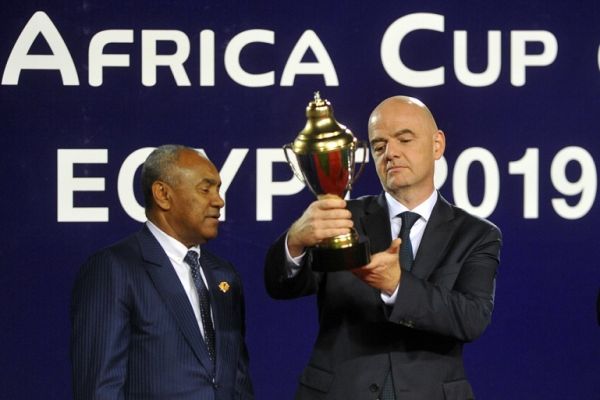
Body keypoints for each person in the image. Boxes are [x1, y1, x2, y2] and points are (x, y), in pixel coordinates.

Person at [264, 96, 502, 400]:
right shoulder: (339, 218)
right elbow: (281, 286)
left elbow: (471, 318)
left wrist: (397, 286)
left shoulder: (476, 234)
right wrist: (295, 241)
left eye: (404, 138)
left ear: (437, 144)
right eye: (379, 146)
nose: (391, 153)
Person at [71, 145, 254, 400]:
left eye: (218, 189)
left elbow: (238, 381)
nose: (219, 200)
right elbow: (99, 390)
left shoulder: (224, 275)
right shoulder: (115, 268)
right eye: (205, 189)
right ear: (163, 194)